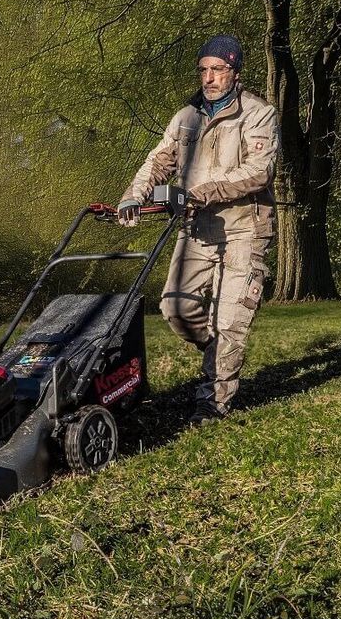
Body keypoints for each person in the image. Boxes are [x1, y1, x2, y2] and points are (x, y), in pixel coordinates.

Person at [117, 34, 278, 423]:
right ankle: (221, 353)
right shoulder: (186, 117)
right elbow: (158, 160)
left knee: (228, 322)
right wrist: (132, 195)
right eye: (203, 70)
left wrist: (203, 191)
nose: (209, 78)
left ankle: (212, 402)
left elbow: (259, 172)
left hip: (244, 229)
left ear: (235, 72)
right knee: (176, 307)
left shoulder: (257, 114)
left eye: (217, 70)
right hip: (197, 229)